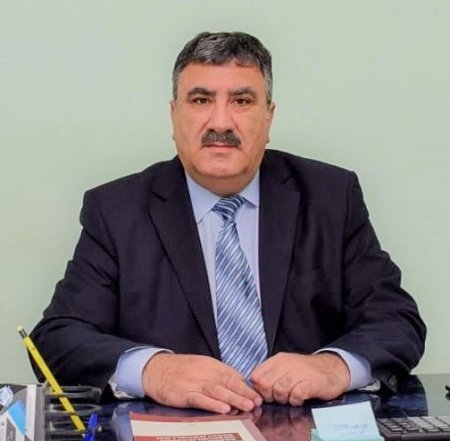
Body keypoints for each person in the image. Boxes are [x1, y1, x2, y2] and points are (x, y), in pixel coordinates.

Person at [31, 31, 426, 414]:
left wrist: (333, 366)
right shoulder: (117, 210)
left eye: (241, 100)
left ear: (269, 116)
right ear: (174, 115)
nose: (220, 122)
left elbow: (396, 320)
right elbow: (58, 338)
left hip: (304, 434)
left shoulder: (330, 197)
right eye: (201, 100)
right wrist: (154, 370)